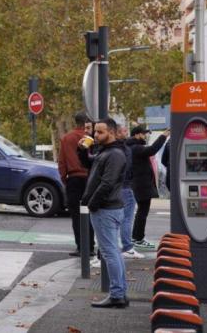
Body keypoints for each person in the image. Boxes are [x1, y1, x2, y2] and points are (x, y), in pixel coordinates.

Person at [79, 117, 128, 308]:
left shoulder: (114, 154)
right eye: (95, 132)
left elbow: (107, 183)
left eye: (100, 132)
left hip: (106, 208)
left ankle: (117, 295)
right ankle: (120, 293)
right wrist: (83, 151)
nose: (96, 135)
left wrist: (92, 204)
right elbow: (91, 165)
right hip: (107, 207)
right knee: (113, 252)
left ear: (112, 133)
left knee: (109, 253)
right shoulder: (106, 151)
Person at [58, 111, 95, 257]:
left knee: (76, 215)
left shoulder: (67, 138)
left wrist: (65, 179)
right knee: (90, 214)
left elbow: (62, 162)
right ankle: (91, 247)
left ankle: (81, 247)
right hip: (90, 179)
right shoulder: (91, 138)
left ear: (75, 122)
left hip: (73, 179)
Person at [128, 126, 169, 250]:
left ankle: (137, 237)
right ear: (137, 135)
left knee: (141, 212)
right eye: (144, 134)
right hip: (141, 185)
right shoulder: (135, 148)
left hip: (142, 184)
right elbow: (152, 150)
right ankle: (138, 238)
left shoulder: (133, 146)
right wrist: (163, 136)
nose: (146, 136)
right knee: (142, 213)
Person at [117, 126, 144, 260]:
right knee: (127, 219)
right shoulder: (125, 148)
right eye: (123, 132)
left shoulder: (113, 148)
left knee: (119, 219)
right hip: (125, 186)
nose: (126, 134)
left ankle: (124, 246)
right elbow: (127, 168)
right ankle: (127, 247)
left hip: (119, 186)